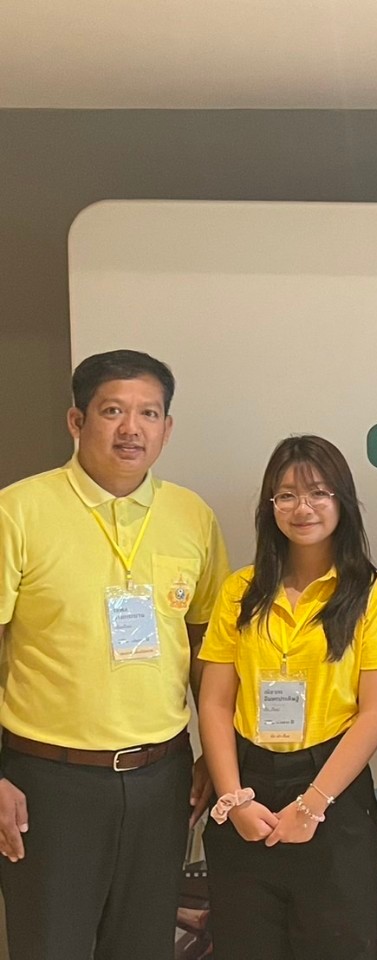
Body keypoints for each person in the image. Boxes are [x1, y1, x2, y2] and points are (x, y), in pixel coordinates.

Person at [0, 349, 229, 960]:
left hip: (162, 780)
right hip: (48, 781)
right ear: (77, 421)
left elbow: (209, 648)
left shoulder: (192, 516)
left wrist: (215, 753)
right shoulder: (18, 511)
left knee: (144, 947)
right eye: (113, 411)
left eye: (148, 413)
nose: (132, 429)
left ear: (167, 428)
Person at [197, 435, 377, 960]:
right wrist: (233, 800)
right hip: (247, 789)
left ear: (342, 501)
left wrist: (312, 805)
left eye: (318, 493)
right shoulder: (240, 591)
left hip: (333, 793)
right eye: (286, 495)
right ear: (270, 506)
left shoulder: (375, 595)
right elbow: (215, 702)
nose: (302, 508)